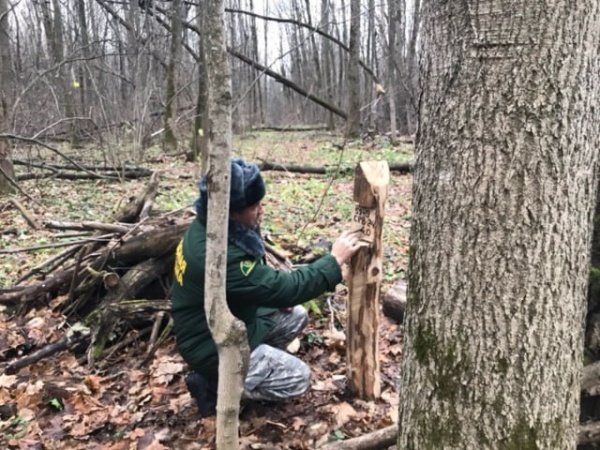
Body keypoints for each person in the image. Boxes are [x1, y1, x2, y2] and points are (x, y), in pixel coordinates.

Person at [171, 158, 364, 416]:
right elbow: (286, 287)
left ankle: (254, 368)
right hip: (209, 344)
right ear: (229, 211)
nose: (261, 210)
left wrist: (273, 297)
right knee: (297, 378)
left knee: (295, 314)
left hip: (225, 320)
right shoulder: (217, 255)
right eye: (253, 206)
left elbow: (255, 285)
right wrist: (333, 260)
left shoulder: (216, 226)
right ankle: (217, 385)